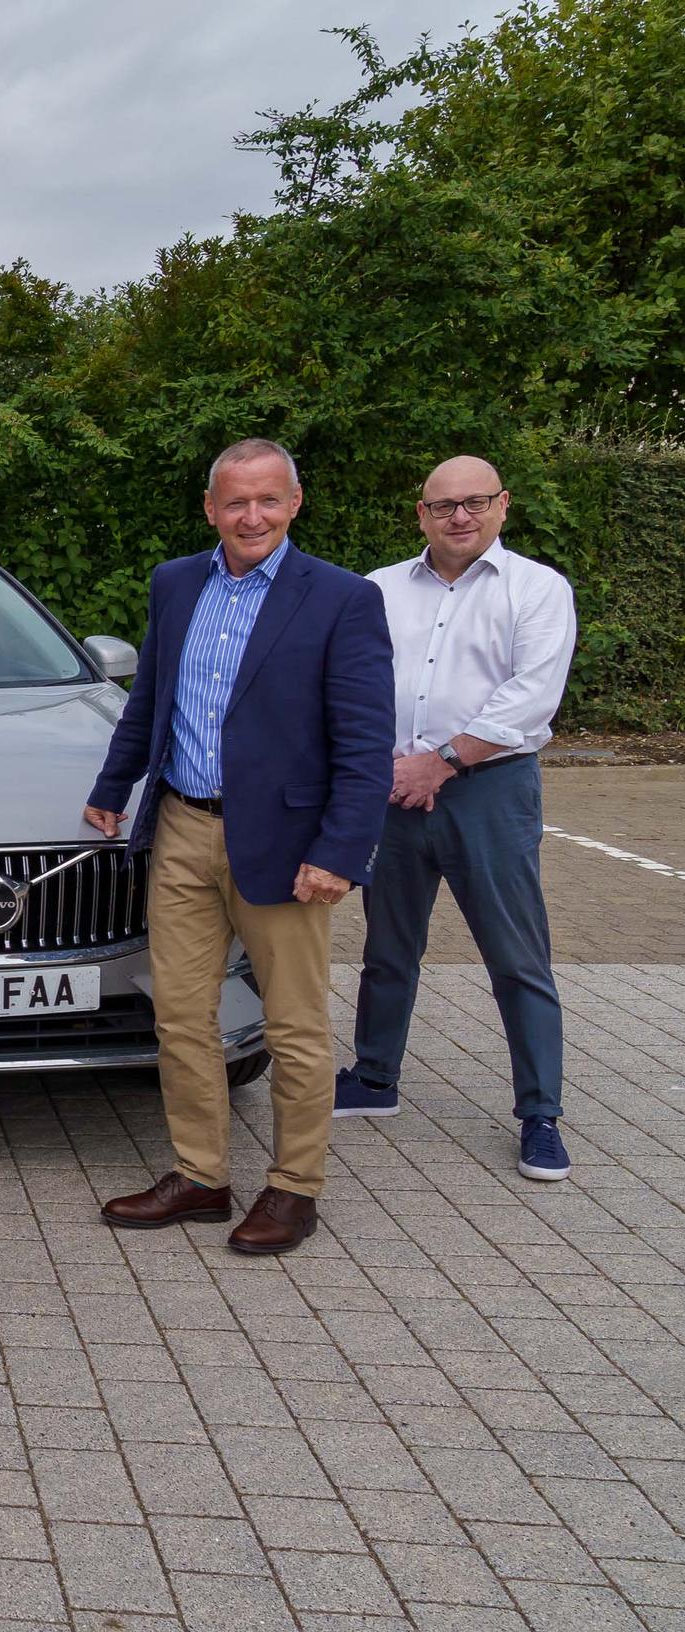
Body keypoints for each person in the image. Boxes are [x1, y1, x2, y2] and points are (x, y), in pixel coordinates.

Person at [82, 439, 393, 1255]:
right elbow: (149, 697)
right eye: (233, 502)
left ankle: (294, 1189)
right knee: (180, 1016)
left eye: (266, 500)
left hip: (287, 844)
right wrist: (110, 790)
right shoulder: (175, 582)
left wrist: (339, 851)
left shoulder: (340, 599)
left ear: (294, 502)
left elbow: (363, 746)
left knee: (291, 1027)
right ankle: (200, 1176)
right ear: (210, 508)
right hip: (180, 827)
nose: (248, 516)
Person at [337, 456, 578, 1181]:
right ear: (421, 514)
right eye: (443, 506)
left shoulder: (537, 589)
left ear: (502, 506)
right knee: (387, 947)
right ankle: (374, 1078)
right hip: (392, 791)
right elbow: (351, 680)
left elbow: (530, 696)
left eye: (474, 503)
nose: (459, 517)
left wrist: (440, 760)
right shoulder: (377, 589)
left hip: (487, 792)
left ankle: (540, 1114)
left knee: (515, 959)